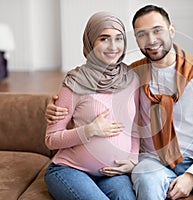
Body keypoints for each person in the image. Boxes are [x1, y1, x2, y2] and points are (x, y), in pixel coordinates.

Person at [46, 5, 193, 200]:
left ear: (171, 30)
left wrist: (192, 174)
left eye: (157, 30)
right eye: (142, 34)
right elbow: (96, 94)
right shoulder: (132, 75)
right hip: (153, 161)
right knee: (147, 184)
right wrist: (55, 107)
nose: (151, 40)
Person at [44, 11, 140, 200]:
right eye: (104, 38)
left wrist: (133, 160)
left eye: (118, 38)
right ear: (90, 42)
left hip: (111, 174)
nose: (113, 46)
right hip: (70, 170)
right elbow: (51, 139)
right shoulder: (74, 82)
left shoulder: (132, 79)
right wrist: (89, 130)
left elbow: (136, 125)